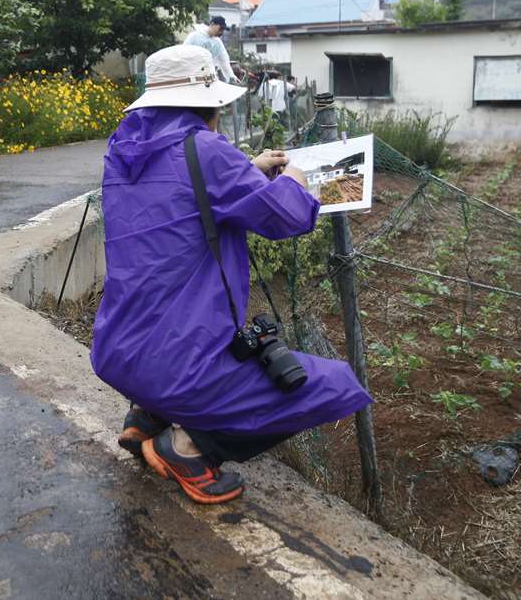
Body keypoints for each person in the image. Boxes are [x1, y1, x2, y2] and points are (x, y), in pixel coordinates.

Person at [90, 45, 372, 505]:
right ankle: (185, 447)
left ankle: (146, 418)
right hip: (177, 364)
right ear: (212, 106)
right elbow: (286, 217)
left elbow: (181, 191)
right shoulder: (206, 151)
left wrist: (247, 168)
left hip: (116, 350)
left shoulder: (123, 151)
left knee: (171, 322)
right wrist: (296, 179)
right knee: (333, 385)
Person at [183, 16, 236, 82]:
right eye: (220, 29)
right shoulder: (194, 36)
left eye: (223, 30)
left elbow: (224, 61)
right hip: (193, 76)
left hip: (210, 77)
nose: (221, 32)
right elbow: (183, 54)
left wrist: (231, 76)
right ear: (212, 24)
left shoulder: (218, 42)